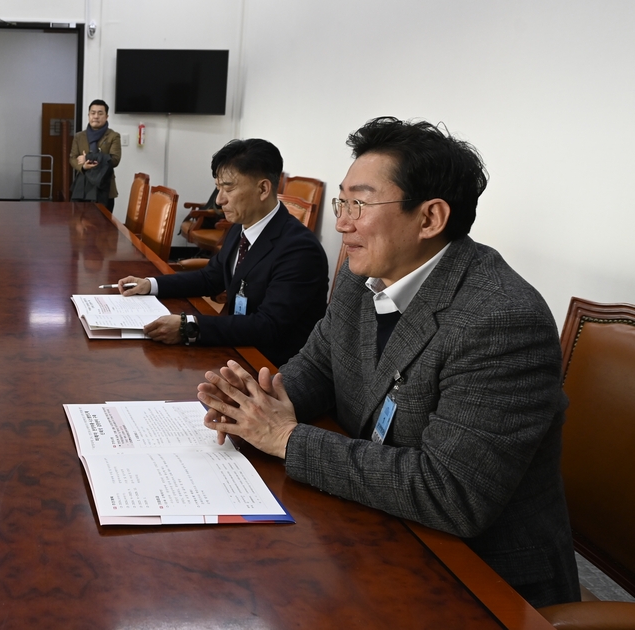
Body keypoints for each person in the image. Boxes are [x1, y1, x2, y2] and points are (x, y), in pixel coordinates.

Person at [196, 117, 577, 608]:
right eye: (342, 201)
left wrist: (285, 437)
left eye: (359, 203)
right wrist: (255, 403)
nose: (340, 222)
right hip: (375, 529)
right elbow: (317, 368)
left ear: (430, 218)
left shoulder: (500, 318)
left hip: (479, 577)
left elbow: (451, 493)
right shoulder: (363, 275)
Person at [118, 139, 328, 367]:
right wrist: (152, 285)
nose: (219, 200)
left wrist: (188, 326)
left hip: (271, 366)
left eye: (228, 188)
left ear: (263, 189)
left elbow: (268, 326)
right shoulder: (242, 225)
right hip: (235, 347)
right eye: (218, 188)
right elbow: (211, 277)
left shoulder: (300, 250)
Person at [69, 100, 121, 212]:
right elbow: (73, 158)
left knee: (103, 226)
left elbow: (115, 160)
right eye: (93, 113)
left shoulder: (113, 136)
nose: (96, 116)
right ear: (88, 115)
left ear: (106, 116)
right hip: (82, 187)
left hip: (105, 187)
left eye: (100, 113)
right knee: (78, 225)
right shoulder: (79, 136)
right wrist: (83, 167)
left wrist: (88, 158)